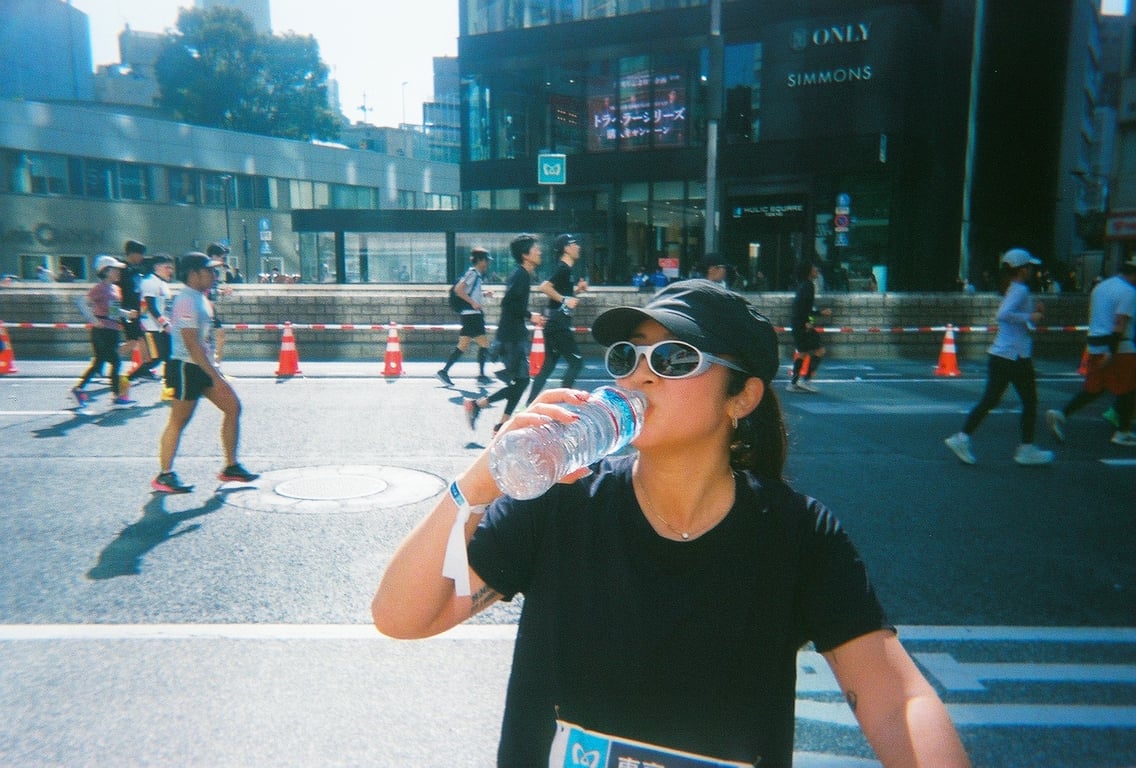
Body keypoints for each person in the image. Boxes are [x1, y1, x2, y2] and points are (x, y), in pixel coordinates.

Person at [373, 279, 972, 768]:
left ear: (742, 398)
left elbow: (895, 700)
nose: (640, 374)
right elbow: (402, 617)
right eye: (627, 355)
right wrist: (479, 483)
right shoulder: (561, 503)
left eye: (675, 358)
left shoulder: (796, 534)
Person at [152, 252, 259, 494]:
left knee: (233, 407)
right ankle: (164, 474)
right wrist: (214, 376)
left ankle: (231, 466)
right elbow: (192, 344)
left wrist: (214, 368)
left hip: (202, 366)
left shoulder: (200, 298)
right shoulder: (186, 301)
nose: (214, 275)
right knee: (179, 421)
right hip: (187, 367)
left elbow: (204, 340)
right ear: (193, 274)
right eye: (209, 271)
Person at [944, 248, 1055, 466]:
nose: (1032, 271)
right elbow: (1003, 315)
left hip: (1003, 354)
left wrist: (1033, 316)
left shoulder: (1012, 288)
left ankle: (962, 438)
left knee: (991, 400)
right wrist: (1031, 315)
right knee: (1029, 402)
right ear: (1022, 269)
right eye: (1029, 267)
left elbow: (1014, 319)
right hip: (1015, 356)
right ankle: (1026, 449)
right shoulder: (1020, 289)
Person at [1046, 255, 1136, 447]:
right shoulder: (1128, 292)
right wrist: (1111, 351)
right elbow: (1119, 324)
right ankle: (1123, 432)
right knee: (1129, 388)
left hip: (1095, 344)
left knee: (1095, 388)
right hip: (1120, 347)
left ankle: (1061, 414)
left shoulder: (1101, 287)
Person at [463, 234, 543, 434]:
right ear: (525, 255)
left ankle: (500, 424)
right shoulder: (521, 275)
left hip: (513, 335)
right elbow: (508, 303)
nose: (539, 252)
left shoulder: (522, 274)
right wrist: (530, 315)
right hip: (511, 337)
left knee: (520, 382)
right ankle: (479, 406)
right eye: (535, 249)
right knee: (522, 381)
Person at [526, 234, 588, 405]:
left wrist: (577, 292)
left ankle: (529, 404)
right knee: (576, 362)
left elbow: (561, 296)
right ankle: (564, 401)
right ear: (566, 248)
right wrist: (565, 299)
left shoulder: (566, 271)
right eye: (574, 244)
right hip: (558, 325)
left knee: (547, 368)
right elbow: (544, 287)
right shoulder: (562, 269)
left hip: (555, 324)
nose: (578, 247)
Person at [72, 255, 137, 408]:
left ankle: (79, 389)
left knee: (100, 362)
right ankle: (117, 396)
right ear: (106, 271)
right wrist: (93, 320)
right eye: (115, 269)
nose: (118, 272)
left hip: (112, 330)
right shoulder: (100, 288)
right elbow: (81, 302)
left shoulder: (115, 289)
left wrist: (127, 314)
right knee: (115, 361)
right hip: (102, 331)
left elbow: (113, 312)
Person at [438, 248, 494, 385]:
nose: (487, 263)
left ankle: (444, 372)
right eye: (486, 260)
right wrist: (473, 303)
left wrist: (484, 294)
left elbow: (469, 292)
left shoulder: (476, 275)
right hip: (472, 316)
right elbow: (459, 290)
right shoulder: (472, 273)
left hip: (470, 316)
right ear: (480, 260)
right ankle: (481, 376)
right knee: (484, 345)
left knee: (462, 346)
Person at [787, 258, 831, 393]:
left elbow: (803, 306)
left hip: (797, 323)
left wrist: (819, 313)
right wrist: (806, 321)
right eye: (814, 268)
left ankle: (794, 383)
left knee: (802, 352)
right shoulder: (809, 285)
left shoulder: (803, 285)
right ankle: (805, 380)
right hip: (802, 324)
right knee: (819, 350)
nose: (816, 270)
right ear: (808, 271)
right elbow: (803, 306)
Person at [119, 239, 157, 381]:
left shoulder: (136, 269)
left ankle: (145, 368)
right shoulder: (122, 270)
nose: (142, 257)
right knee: (134, 341)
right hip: (128, 311)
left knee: (140, 340)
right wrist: (123, 312)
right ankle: (109, 355)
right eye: (140, 253)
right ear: (132, 253)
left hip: (137, 311)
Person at [139, 254, 175, 386]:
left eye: (171, 268)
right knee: (158, 358)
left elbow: (166, 306)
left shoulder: (163, 283)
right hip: (150, 327)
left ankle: (170, 385)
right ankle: (128, 378)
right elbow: (151, 307)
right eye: (167, 267)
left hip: (162, 326)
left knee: (169, 356)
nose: (170, 271)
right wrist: (165, 324)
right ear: (157, 267)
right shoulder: (149, 282)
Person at [205, 243, 233, 366]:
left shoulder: (214, 271)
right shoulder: (206, 270)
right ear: (213, 256)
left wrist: (221, 292)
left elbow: (211, 289)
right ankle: (212, 363)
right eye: (222, 257)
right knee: (211, 336)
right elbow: (204, 290)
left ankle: (215, 362)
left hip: (210, 307)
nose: (223, 260)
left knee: (218, 334)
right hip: (205, 307)